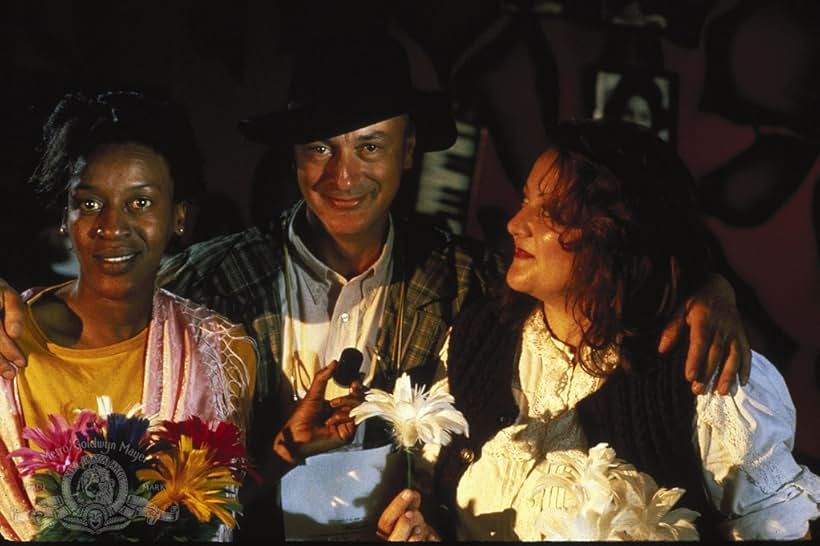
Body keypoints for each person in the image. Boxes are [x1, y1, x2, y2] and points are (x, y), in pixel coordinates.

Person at [0, 32, 750, 541]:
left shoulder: (470, 281)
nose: (342, 175)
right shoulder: (210, 284)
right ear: (294, 154)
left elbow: (610, 262)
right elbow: (98, 330)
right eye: (320, 147)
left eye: (369, 147)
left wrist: (709, 284)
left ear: (410, 150)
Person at [377, 119, 819, 541]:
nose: (516, 224)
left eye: (550, 213)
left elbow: (777, 526)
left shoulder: (704, 374)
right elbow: (435, 496)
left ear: (614, 233)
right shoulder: (478, 333)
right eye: (525, 199)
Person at [0, 91, 256, 541]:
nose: (112, 227)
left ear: (178, 217)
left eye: (140, 203)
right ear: (66, 216)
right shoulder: (9, 342)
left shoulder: (219, 352)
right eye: (91, 203)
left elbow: (221, 512)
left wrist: (283, 456)